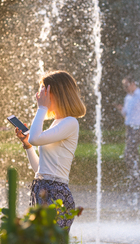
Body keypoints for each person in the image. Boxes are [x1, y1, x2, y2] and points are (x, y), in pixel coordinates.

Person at [14, 70, 86, 233]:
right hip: (43, 188)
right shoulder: (57, 122)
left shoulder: (70, 123)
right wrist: (28, 146)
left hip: (56, 193)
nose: (39, 96)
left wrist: (42, 109)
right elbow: (40, 169)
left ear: (57, 94)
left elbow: (35, 137)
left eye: (44, 92)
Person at [115, 76, 140, 184]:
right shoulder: (128, 97)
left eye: (127, 85)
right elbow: (126, 114)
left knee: (129, 153)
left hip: (138, 128)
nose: (125, 88)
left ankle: (136, 179)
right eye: (124, 86)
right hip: (130, 128)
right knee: (133, 154)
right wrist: (121, 109)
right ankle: (136, 179)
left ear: (133, 84)